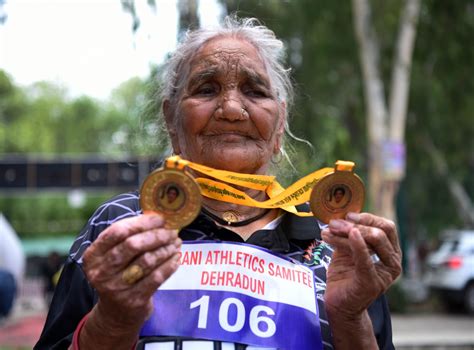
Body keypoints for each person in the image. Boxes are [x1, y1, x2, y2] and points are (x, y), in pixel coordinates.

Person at [35, 16, 401, 350]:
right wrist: (113, 322)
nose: (231, 109)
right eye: (207, 89)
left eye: (255, 92)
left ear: (280, 123)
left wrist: (350, 318)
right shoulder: (123, 224)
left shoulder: (336, 245)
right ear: (171, 118)